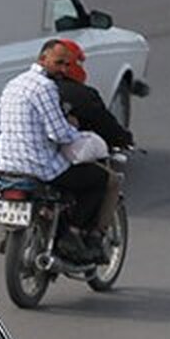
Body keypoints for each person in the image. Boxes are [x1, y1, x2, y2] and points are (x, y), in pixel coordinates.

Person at [0, 39, 110, 263]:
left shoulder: (14, 84)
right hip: (41, 168)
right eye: (58, 63)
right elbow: (58, 134)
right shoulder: (46, 87)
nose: (63, 69)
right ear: (43, 59)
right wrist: (79, 135)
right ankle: (73, 232)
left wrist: (7, 153)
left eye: (67, 65)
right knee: (99, 179)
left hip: (6, 169)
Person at [55, 39, 135, 250]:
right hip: (54, 165)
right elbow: (106, 124)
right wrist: (124, 139)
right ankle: (80, 231)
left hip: (16, 166)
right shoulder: (83, 96)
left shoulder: (32, 90)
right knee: (107, 180)